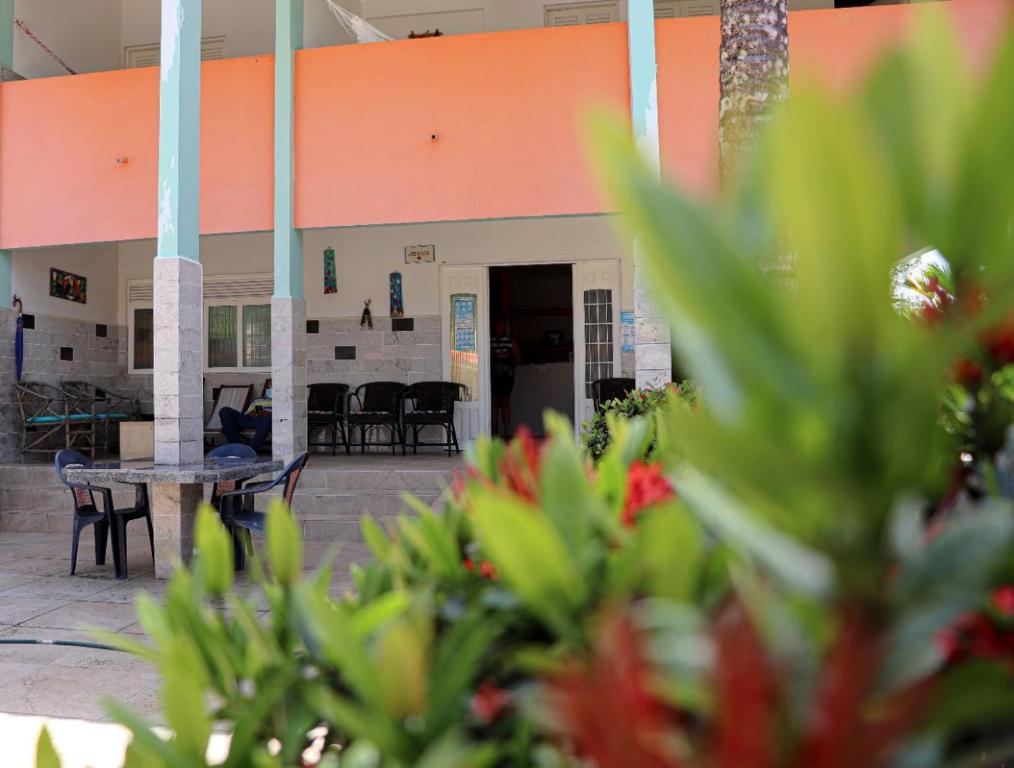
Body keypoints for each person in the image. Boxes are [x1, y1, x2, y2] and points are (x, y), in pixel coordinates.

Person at [490, 317, 521, 438]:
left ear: (504, 327)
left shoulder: (510, 342)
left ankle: (507, 432)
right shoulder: (489, 340)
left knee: (505, 403)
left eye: (501, 325)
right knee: (494, 404)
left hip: (506, 376)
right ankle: (493, 432)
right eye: (497, 325)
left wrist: (508, 367)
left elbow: (518, 359)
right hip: (493, 375)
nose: (499, 328)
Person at [219, 385, 272, 451]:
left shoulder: (281, 402)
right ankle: (237, 446)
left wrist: (269, 413)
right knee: (224, 411)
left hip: (264, 420)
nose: (271, 388)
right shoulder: (258, 400)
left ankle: (250, 450)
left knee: (267, 419)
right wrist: (253, 412)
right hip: (249, 418)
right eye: (270, 387)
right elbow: (249, 412)